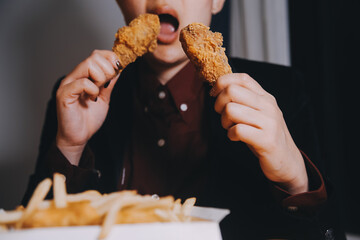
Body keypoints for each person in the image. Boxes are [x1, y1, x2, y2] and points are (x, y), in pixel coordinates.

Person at [23, 0, 345, 239]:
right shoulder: (77, 97)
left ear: (217, 0)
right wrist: (70, 146)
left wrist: (295, 178)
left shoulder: (284, 92)